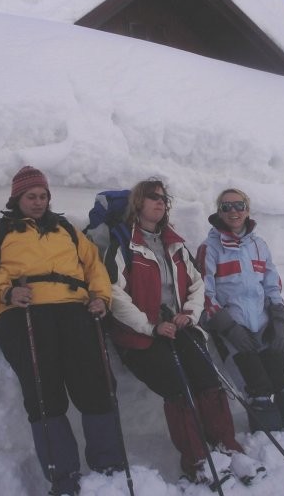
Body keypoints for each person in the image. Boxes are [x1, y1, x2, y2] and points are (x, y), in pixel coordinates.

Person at [0, 166, 124, 496]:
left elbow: (94, 267)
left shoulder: (67, 230)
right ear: (16, 199)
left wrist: (100, 297)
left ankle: (110, 472)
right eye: (31, 196)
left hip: (74, 309)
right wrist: (6, 292)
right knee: (43, 392)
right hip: (24, 313)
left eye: (43, 196)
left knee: (95, 385)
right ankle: (63, 479)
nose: (38, 202)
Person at [104, 178, 250, 487]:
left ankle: (227, 446)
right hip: (139, 338)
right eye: (154, 197)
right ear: (138, 203)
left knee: (208, 378)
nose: (161, 202)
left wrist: (190, 314)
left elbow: (197, 284)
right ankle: (197, 461)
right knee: (177, 383)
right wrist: (150, 325)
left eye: (164, 198)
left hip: (179, 327)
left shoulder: (174, 243)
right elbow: (114, 295)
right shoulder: (122, 243)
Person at [197, 188, 284, 435]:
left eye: (238, 205)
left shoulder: (259, 245)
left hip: (263, 323)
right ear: (219, 212)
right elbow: (204, 294)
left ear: (247, 209)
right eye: (226, 207)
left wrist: (278, 321)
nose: (233, 211)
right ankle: (269, 439)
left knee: (283, 379)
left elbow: (272, 286)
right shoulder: (210, 248)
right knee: (256, 386)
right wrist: (228, 327)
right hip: (233, 329)